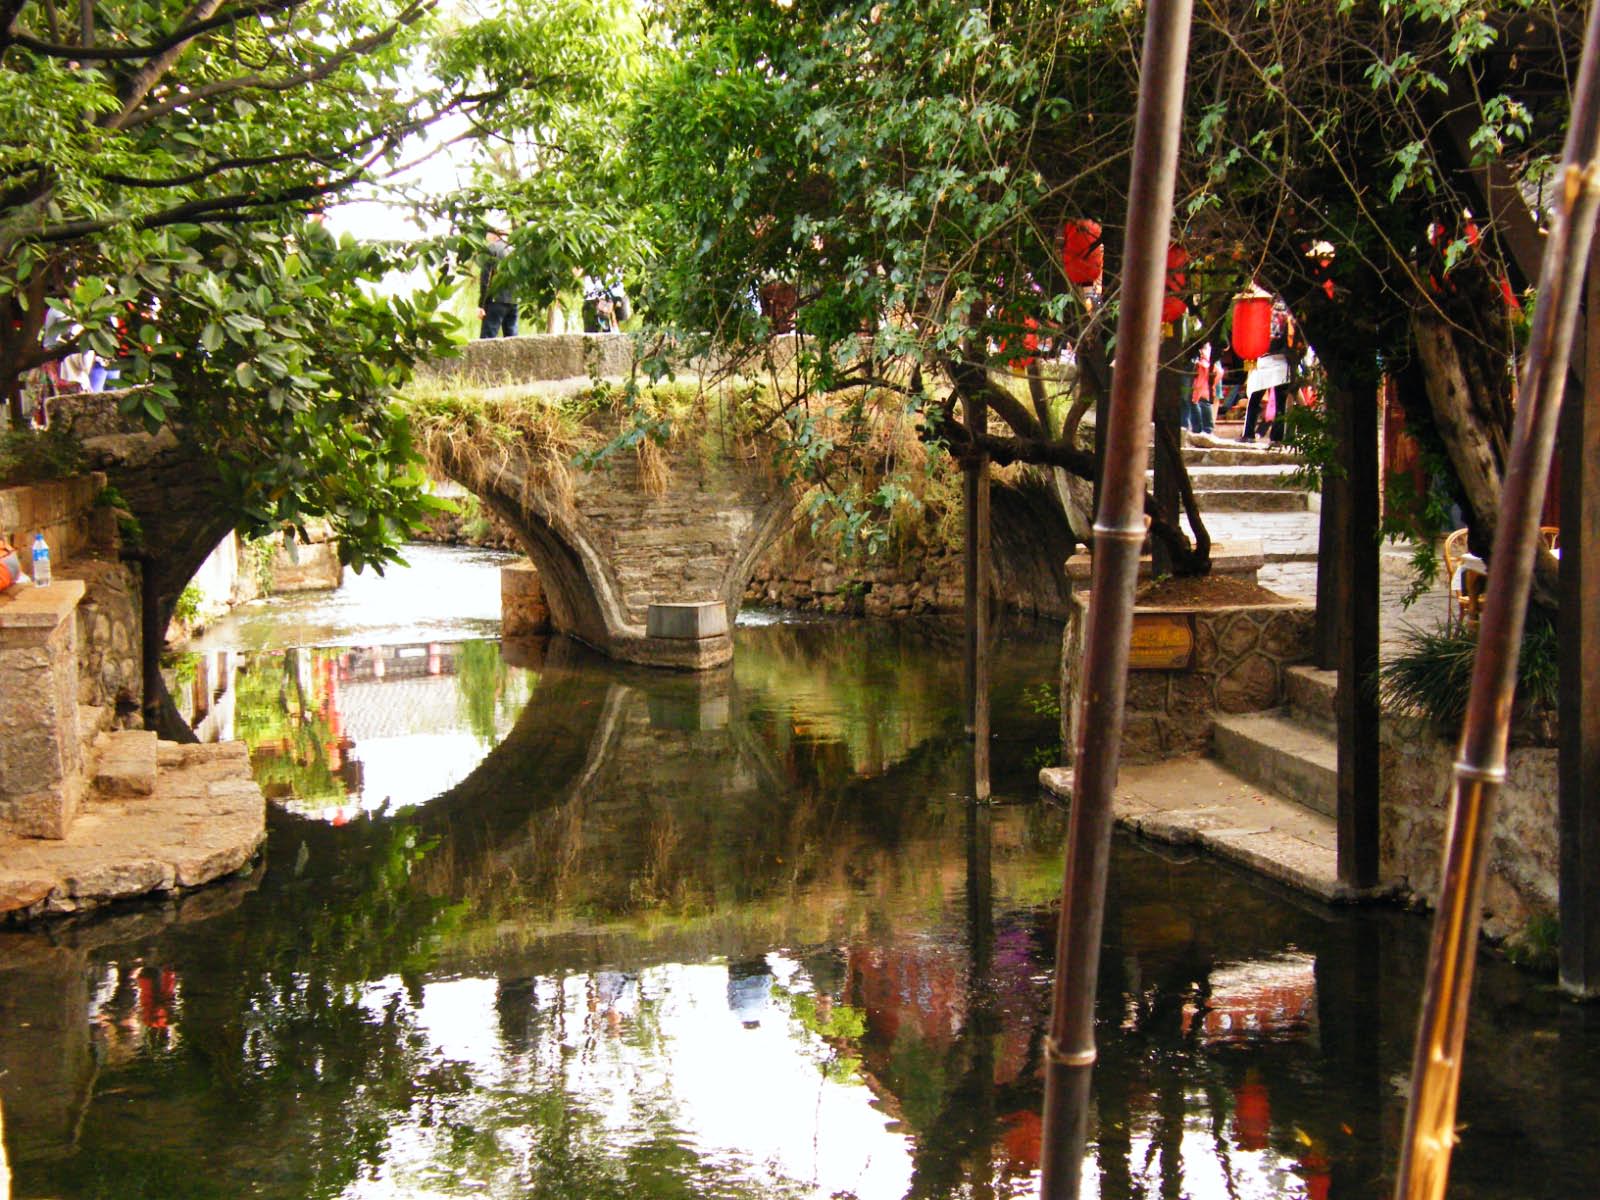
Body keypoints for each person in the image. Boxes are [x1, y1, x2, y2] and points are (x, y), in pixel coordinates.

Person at [477, 229, 518, 338]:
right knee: (513, 339)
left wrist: (482, 305)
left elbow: (486, 278)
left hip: (495, 300)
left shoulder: (491, 249)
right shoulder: (515, 250)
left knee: (487, 339)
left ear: (493, 235)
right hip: (514, 300)